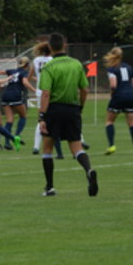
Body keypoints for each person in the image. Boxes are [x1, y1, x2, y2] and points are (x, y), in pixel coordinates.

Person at [38, 32, 98, 197]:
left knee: (47, 148)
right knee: (76, 147)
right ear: (64, 45)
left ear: (50, 47)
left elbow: (46, 94)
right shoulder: (76, 64)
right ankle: (89, 170)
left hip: (54, 110)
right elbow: (84, 89)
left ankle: (50, 187)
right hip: (72, 109)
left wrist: (42, 116)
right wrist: (80, 107)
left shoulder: (48, 67)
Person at [103, 47, 133, 155]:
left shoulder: (112, 69)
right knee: (132, 123)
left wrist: (112, 94)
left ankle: (111, 146)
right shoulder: (129, 67)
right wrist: (130, 93)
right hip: (131, 96)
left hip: (118, 96)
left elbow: (113, 85)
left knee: (109, 121)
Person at [29, 41, 64, 159]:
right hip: (51, 91)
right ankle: (77, 143)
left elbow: (30, 77)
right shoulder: (53, 60)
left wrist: (39, 79)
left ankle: (36, 147)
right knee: (57, 118)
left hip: (40, 92)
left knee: (41, 119)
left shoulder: (36, 60)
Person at [0, 56, 36, 149]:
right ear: (27, 65)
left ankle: (7, 142)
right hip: (15, 95)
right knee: (23, 116)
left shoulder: (12, 71)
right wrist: (34, 90)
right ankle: (17, 135)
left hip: (6, 95)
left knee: (9, 120)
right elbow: (25, 82)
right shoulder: (24, 72)